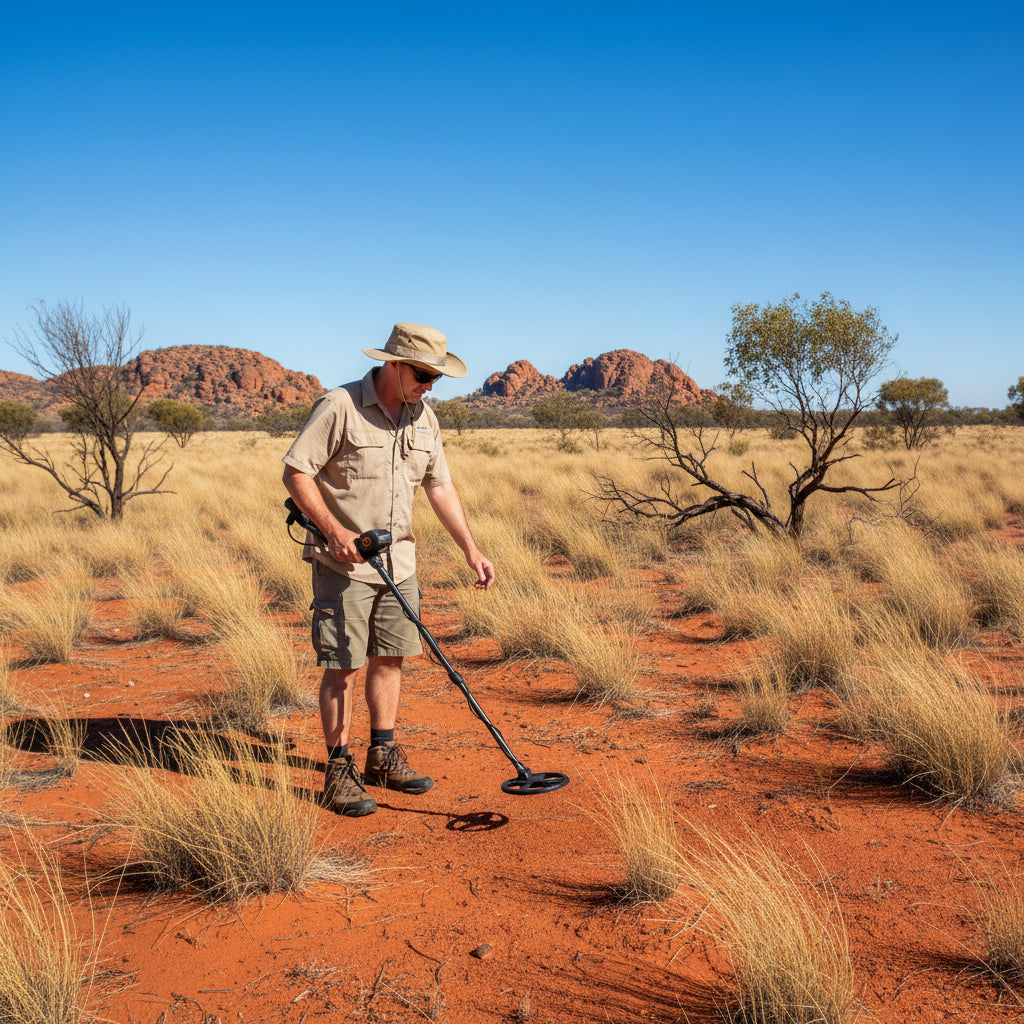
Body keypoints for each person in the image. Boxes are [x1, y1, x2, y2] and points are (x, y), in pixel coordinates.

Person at [282, 323, 495, 817]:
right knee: (343, 666)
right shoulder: (340, 406)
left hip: (399, 565)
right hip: (346, 566)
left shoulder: (424, 417)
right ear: (393, 365)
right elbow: (296, 471)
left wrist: (471, 549)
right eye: (422, 374)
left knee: (391, 658)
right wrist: (334, 532)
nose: (429, 384)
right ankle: (339, 768)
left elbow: (439, 486)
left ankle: (382, 754)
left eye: (436, 377)